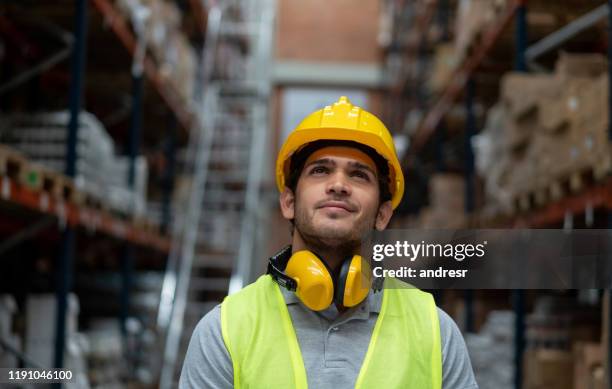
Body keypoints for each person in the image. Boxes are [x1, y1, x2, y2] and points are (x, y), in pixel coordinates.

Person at [179, 96, 478, 388]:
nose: (338, 185)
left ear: (383, 214)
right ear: (288, 202)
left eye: (359, 175)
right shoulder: (226, 330)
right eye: (320, 170)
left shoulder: (435, 331)